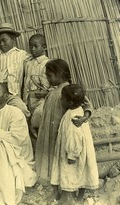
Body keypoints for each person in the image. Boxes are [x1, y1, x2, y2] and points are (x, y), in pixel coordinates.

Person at [35, 59, 93, 200]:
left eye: (50, 76)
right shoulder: (54, 91)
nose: (48, 79)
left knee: (65, 163)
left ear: (60, 74)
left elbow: (87, 104)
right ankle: (57, 190)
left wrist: (84, 117)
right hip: (52, 132)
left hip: (65, 134)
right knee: (55, 162)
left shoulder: (70, 90)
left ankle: (68, 191)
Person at [50, 84, 99, 205]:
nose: (60, 100)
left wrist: (72, 154)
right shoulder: (78, 110)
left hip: (73, 152)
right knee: (81, 172)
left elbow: (74, 137)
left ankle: (68, 199)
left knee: (70, 172)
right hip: (81, 150)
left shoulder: (74, 118)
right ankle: (79, 197)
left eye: (62, 98)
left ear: (70, 102)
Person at [0, 22, 30, 118]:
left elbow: (34, 63)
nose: (1, 44)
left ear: (13, 40)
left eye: (4, 40)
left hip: (12, 94)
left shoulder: (22, 55)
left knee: (23, 111)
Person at [22, 34, 51, 152]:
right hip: (29, 100)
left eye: (36, 46)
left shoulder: (47, 63)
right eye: (30, 46)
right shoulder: (28, 63)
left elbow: (53, 84)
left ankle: (45, 150)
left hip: (42, 100)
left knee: (38, 121)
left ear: (43, 47)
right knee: (29, 125)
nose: (32, 49)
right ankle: (35, 152)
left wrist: (45, 93)